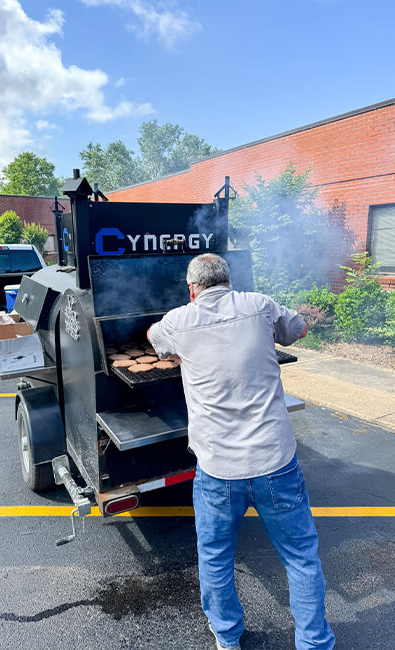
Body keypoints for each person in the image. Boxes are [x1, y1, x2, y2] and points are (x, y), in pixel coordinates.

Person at [148, 253, 335, 650]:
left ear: (192, 289)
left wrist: (175, 347)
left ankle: (227, 638)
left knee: (216, 558)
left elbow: (153, 338)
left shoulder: (180, 320)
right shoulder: (260, 305)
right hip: (276, 464)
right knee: (301, 557)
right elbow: (298, 328)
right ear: (228, 280)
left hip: (218, 470)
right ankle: (315, 643)